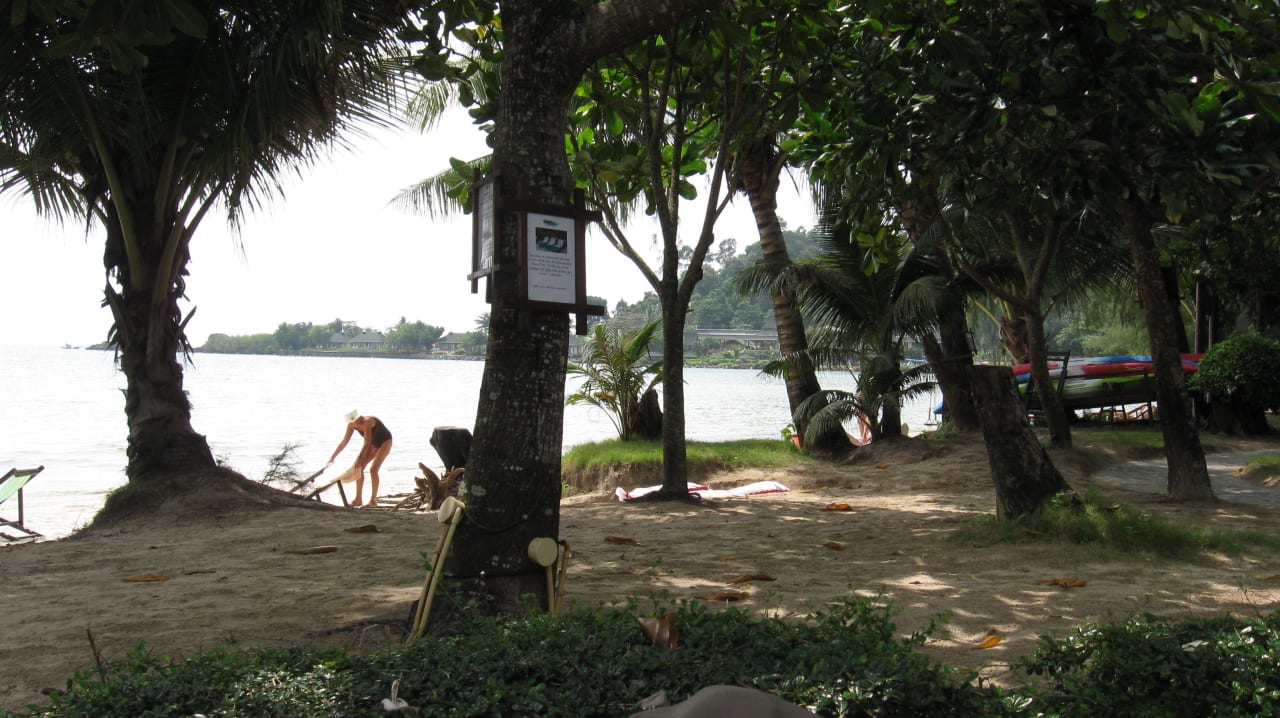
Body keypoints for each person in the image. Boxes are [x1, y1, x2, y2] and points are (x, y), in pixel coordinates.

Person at [328, 410, 393, 507]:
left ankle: (373, 499)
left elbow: (367, 443)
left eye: (357, 422)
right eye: (354, 423)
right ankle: (358, 499)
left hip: (385, 441)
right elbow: (344, 442)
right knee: (359, 468)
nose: (356, 425)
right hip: (373, 443)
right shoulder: (351, 425)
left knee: (373, 469)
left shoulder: (368, 421)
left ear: (359, 418)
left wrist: (359, 457)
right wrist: (332, 457)